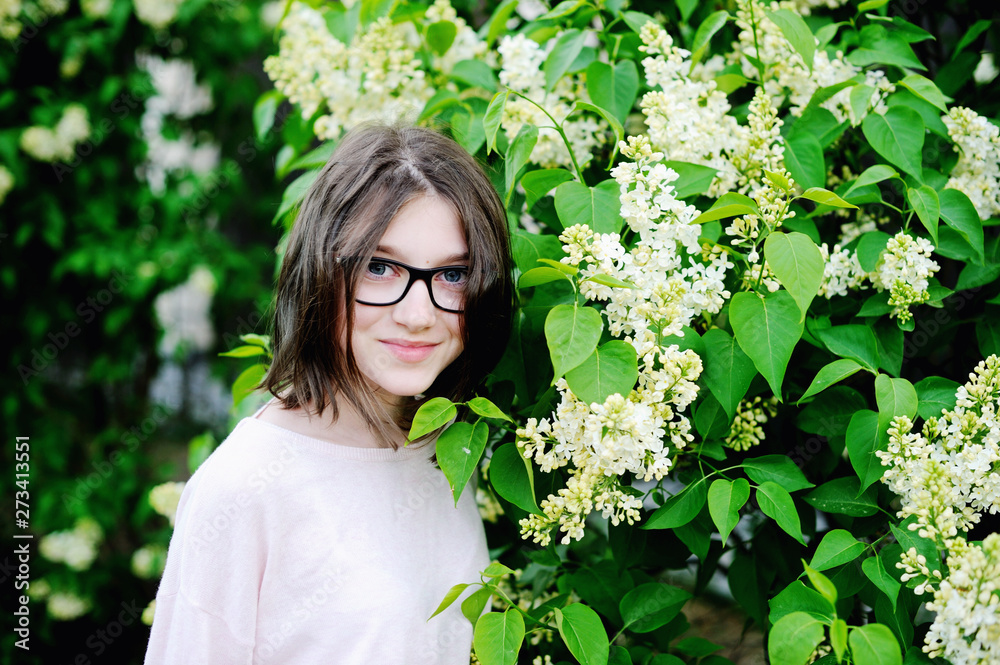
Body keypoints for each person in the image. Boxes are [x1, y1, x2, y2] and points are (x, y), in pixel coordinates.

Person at [143, 124, 514, 665]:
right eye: (379, 268)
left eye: (454, 275)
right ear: (318, 269)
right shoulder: (245, 487)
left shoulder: (444, 449)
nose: (418, 315)